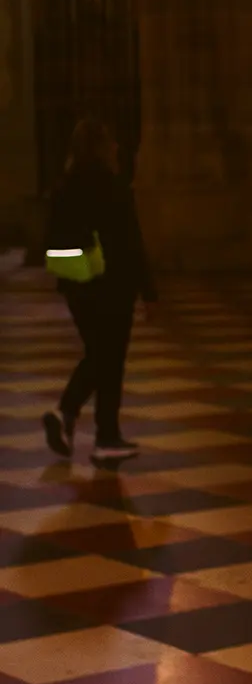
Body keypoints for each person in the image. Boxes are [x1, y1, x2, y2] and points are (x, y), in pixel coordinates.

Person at [42, 118, 154, 463]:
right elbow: (131, 241)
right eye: (112, 142)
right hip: (112, 283)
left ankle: (74, 418)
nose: (117, 147)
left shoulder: (64, 186)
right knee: (109, 358)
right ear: (102, 147)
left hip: (76, 283)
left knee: (99, 355)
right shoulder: (112, 186)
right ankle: (101, 434)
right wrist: (148, 291)